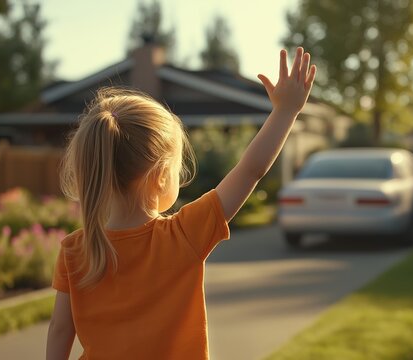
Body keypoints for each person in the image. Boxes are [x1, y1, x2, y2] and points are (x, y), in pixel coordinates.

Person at [46, 47, 316, 360]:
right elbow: (250, 171)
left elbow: (60, 329)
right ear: (160, 176)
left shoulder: (75, 251)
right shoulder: (183, 235)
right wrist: (285, 112)